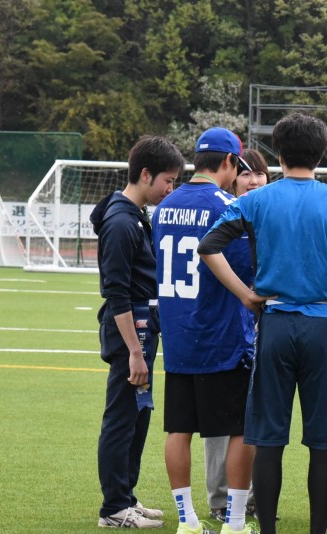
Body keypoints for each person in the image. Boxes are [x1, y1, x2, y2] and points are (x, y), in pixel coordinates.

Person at [198, 112, 327, 534]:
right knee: (324, 442)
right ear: (321, 155)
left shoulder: (255, 200)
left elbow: (209, 247)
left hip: (276, 325)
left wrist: (246, 294)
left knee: (268, 439)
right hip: (323, 328)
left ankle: (268, 529)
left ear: (279, 155)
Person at [153, 127, 259, 534]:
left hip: (178, 336)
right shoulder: (227, 206)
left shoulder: (164, 206)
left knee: (178, 429)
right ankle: (234, 522)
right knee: (240, 429)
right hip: (221, 335)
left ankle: (187, 520)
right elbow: (247, 271)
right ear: (229, 161)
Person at [91, 135, 185, 528]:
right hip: (130, 334)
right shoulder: (120, 222)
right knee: (121, 417)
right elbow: (116, 293)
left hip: (143, 331)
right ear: (146, 174)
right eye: (168, 180)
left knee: (137, 415)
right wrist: (133, 350)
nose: (171, 189)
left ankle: (125, 496)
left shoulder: (134, 214)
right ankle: (114, 508)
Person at [204, 147, 269, 523]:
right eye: (246, 174)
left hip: (262, 331)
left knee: (256, 418)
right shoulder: (224, 220)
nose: (254, 180)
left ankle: (253, 496)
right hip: (225, 331)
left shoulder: (271, 218)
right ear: (232, 180)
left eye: (260, 174)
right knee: (222, 418)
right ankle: (220, 498)